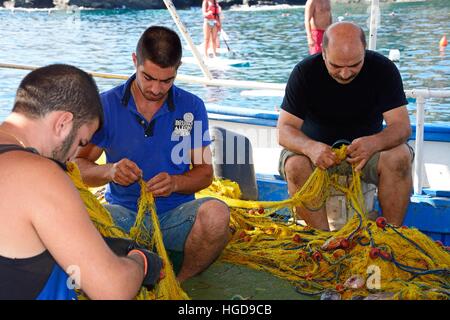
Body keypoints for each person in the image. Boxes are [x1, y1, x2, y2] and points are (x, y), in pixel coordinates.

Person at [74, 26, 230, 283]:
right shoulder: (105, 105)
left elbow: (204, 174)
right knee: (80, 215)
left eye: (167, 81)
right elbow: (77, 168)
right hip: (122, 214)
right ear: (135, 61)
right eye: (148, 78)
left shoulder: (191, 107)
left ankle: (179, 282)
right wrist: (109, 171)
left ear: (178, 68)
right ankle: (132, 264)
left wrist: (176, 183)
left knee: (217, 214)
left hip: (175, 216)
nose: (157, 89)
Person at [0, 64, 163, 300]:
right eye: (80, 142)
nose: (70, 160)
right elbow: (112, 290)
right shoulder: (40, 174)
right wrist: (141, 261)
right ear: (63, 123)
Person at [277, 22, 413, 231]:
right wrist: (310, 148)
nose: (345, 74)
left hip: (367, 154)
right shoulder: (305, 72)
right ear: (323, 54)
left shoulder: (383, 69)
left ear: (364, 53)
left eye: (355, 65)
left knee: (400, 156)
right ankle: (321, 239)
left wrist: (375, 143)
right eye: (336, 66)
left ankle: (391, 235)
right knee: (295, 165)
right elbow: (285, 129)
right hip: (315, 155)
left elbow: (402, 127)